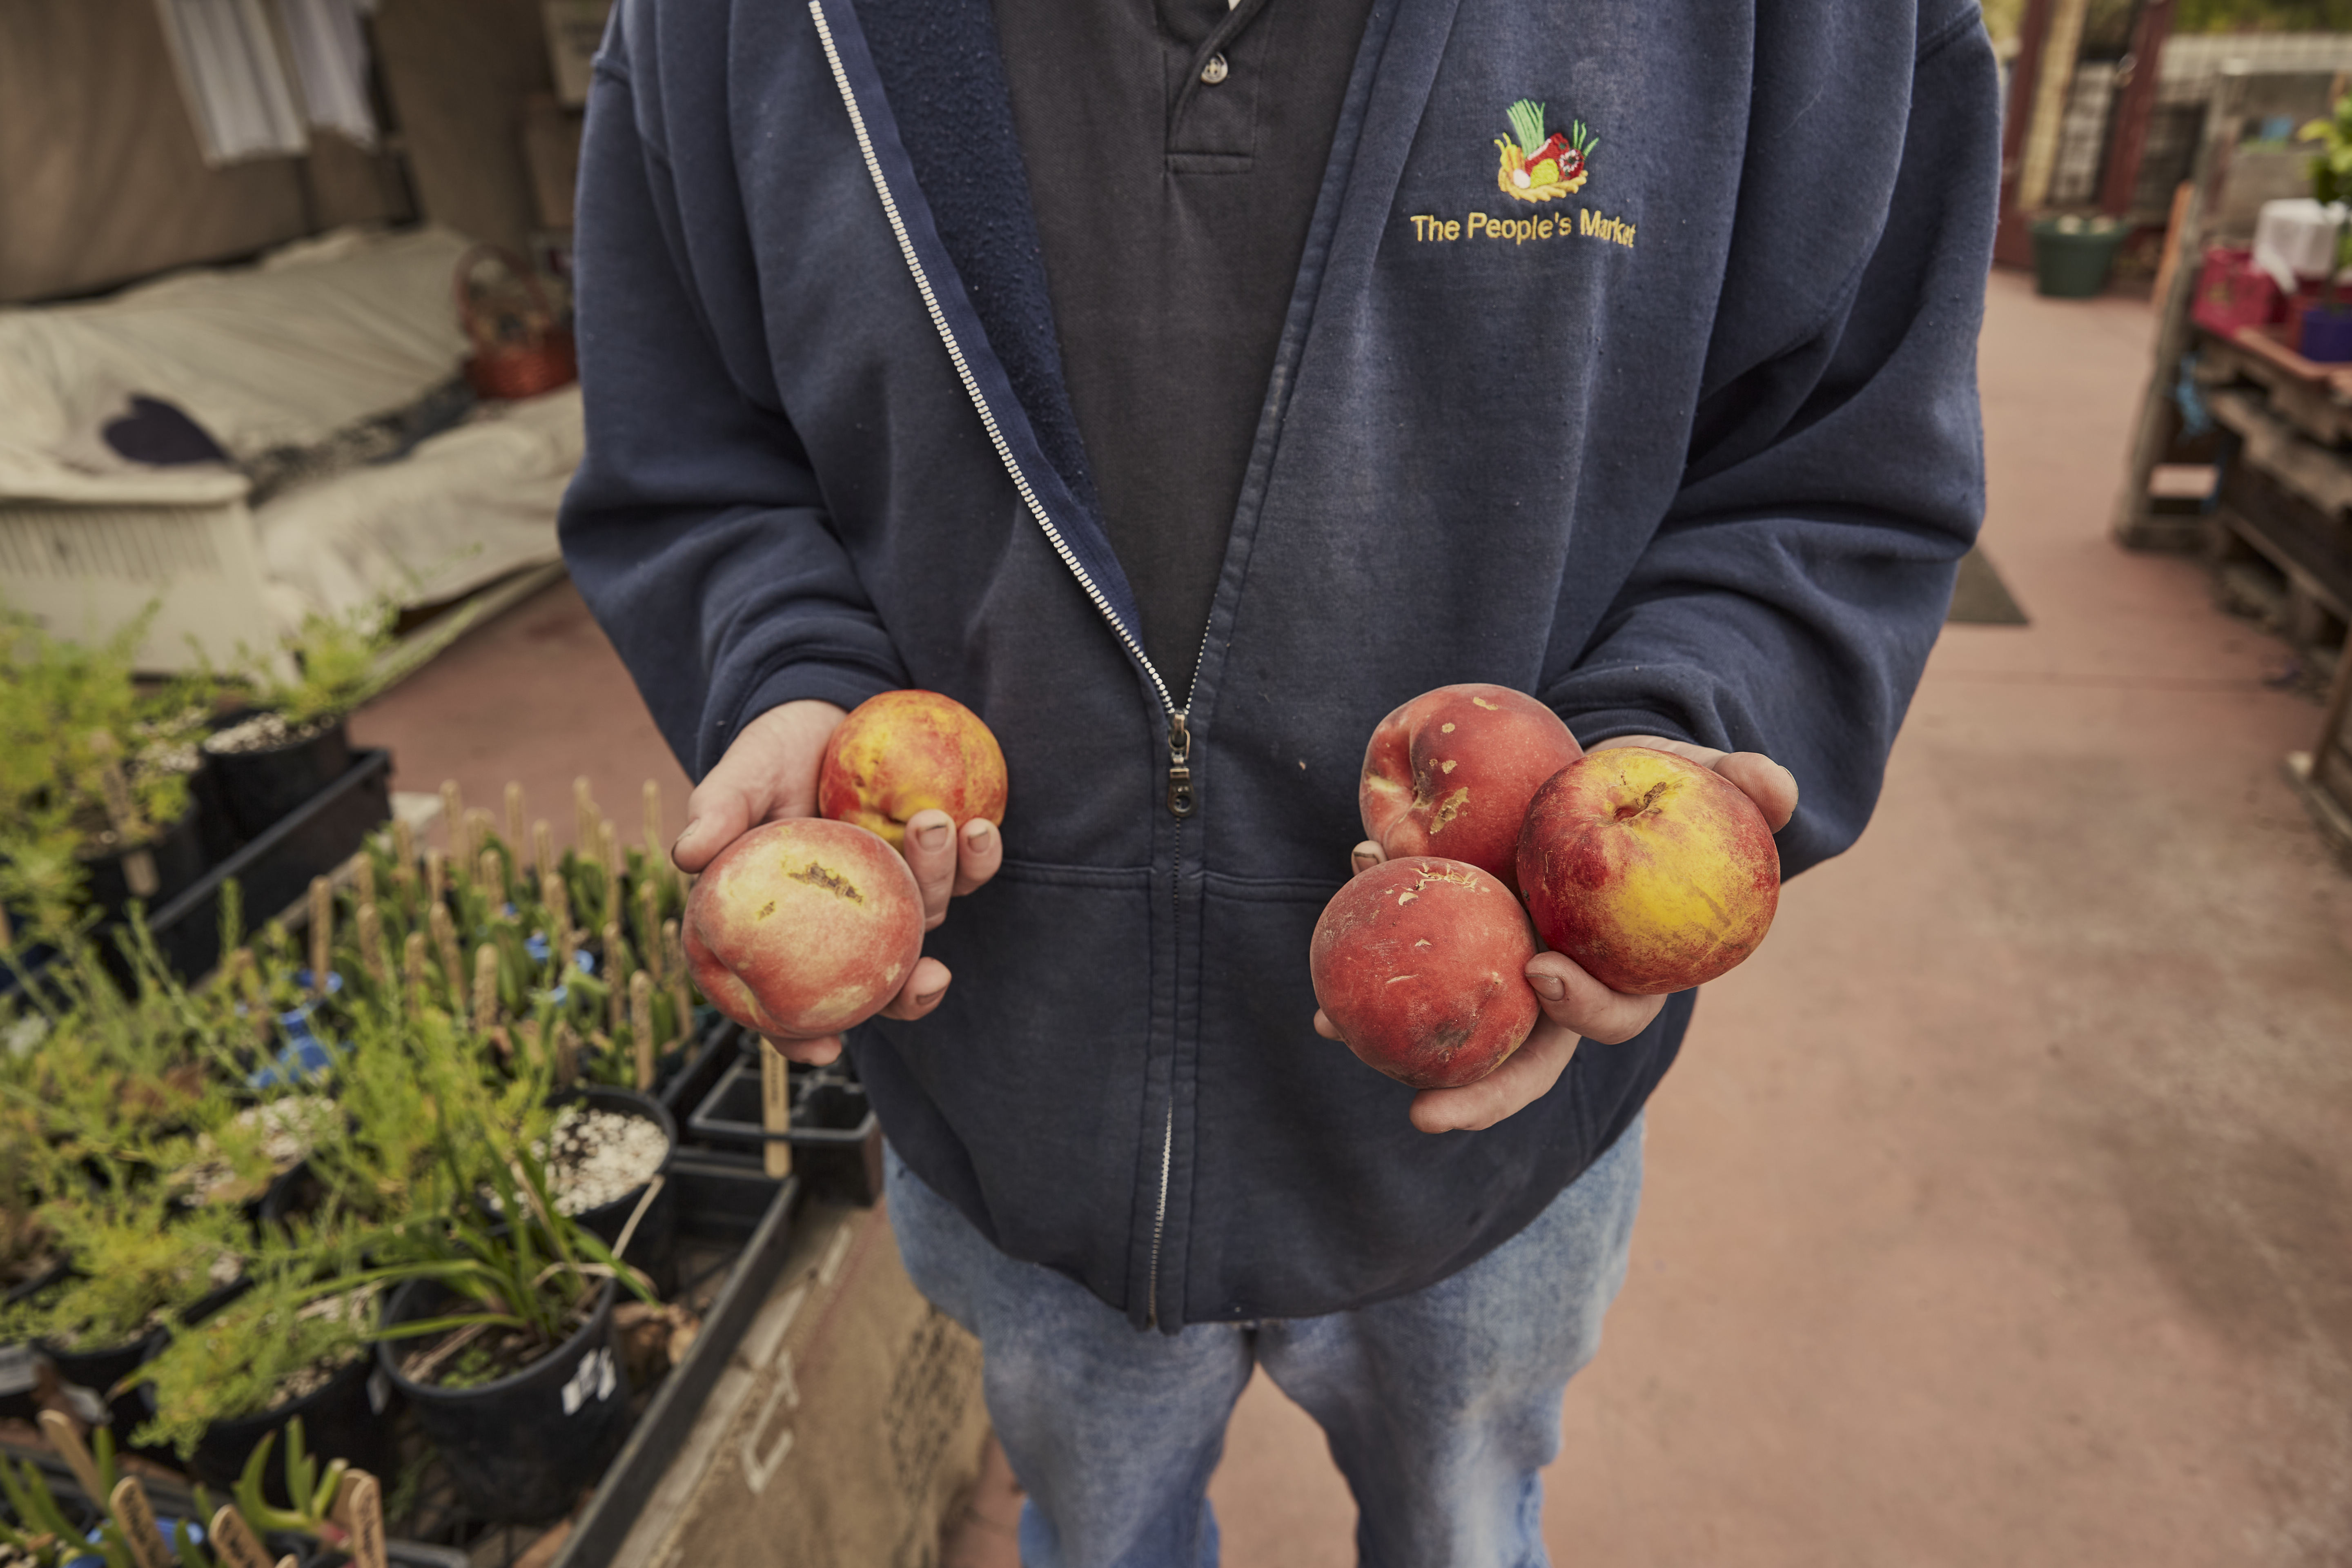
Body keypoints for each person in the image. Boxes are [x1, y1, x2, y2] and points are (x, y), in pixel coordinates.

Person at [559, 0, 1997, 1561]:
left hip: (1485, 1124)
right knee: (1098, 1526)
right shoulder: (730, 27)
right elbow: (691, 441)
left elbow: (1841, 467)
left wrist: (1655, 742)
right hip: (1016, 1090)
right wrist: (788, 668)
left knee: (1459, 1522)